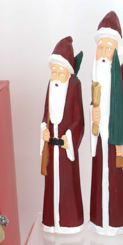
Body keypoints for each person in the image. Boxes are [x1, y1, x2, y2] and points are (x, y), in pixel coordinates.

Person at [88, 11, 123, 235]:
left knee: (115, 182)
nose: (104, 54)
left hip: (116, 139)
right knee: (99, 178)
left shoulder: (121, 73)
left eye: (109, 48)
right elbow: (93, 104)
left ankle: (116, 224)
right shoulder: (95, 77)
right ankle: (98, 222)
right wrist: (93, 115)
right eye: (101, 48)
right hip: (100, 141)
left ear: (117, 50)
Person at [40, 36, 85, 234]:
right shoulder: (51, 86)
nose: (57, 76)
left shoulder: (74, 86)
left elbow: (79, 117)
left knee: (68, 184)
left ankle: (70, 222)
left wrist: (70, 136)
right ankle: (51, 222)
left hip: (66, 149)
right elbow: (45, 114)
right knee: (51, 185)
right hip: (51, 148)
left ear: (68, 72)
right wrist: (43, 129)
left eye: (61, 72)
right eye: (54, 72)